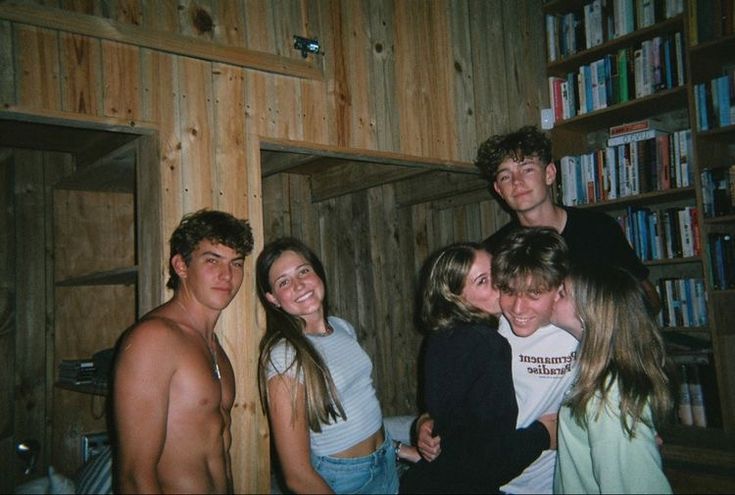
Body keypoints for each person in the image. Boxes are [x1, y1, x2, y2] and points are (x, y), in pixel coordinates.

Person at [417, 227, 579, 494]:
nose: (517, 308)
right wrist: (425, 421)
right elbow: (454, 404)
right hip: (491, 479)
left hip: (551, 483)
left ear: (558, 288)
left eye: (534, 293)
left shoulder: (576, 330)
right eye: (508, 289)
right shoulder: (490, 330)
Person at [256, 237, 414, 494]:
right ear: (273, 298)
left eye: (303, 271)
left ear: (317, 273)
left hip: (385, 460)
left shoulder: (341, 327)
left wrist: (401, 450)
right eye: (284, 282)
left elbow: (361, 405)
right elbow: (297, 475)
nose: (299, 285)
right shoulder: (284, 356)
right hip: (343, 479)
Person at [113, 209, 254, 493]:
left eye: (236, 263)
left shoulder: (213, 346)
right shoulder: (154, 339)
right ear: (181, 266)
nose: (227, 275)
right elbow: (133, 476)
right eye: (212, 260)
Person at [476, 125, 660, 313]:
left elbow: (647, 297)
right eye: (505, 177)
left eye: (527, 169)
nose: (517, 181)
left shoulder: (598, 228)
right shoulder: (495, 249)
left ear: (549, 174)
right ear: (499, 190)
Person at [550, 264, 673, 493]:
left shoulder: (610, 395)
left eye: (562, 293)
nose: (552, 297)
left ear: (590, 312)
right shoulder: (597, 375)